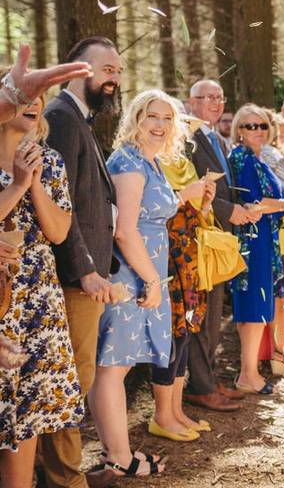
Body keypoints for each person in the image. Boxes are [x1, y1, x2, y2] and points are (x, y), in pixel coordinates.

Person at [40, 36, 123, 488]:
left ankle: (64, 473)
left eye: (118, 71)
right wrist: (85, 270)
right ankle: (64, 479)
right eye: (106, 69)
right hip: (71, 280)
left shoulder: (80, 119)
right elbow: (59, 204)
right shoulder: (61, 118)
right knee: (70, 377)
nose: (114, 78)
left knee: (77, 375)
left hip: (87, 276)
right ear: (77, 72)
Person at [89, 90, 183, 478]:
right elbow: (124, 232)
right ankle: (119, 457)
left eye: (165, 118)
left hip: (146, 271)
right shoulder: (128, 161)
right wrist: (151, 281)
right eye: (151, 116)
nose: (159, 125)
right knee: (112, 366)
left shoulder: (151, 161)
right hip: (128, 275)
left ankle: (118, 452)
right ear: (136, 118)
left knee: (118, 367)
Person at [0, 90, 80, 487]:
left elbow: (59, 232)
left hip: (37, 298)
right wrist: (15, 184)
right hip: (1, 300)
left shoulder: (49, 160)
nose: (34, 103)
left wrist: (33, 184)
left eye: (40, 96)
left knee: (27, 407)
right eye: (24, 95)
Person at [228, 104, 284, 396]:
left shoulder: (259, 157)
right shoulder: (242, 159)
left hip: (266, 238)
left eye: (262, 125)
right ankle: (247, 374)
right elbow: (255, 203)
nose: (258, 131)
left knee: (262, 303)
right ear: (239, 130)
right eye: (251, 126)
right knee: (252, 304)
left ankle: (248, 372)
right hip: (252, 240)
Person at [182, 79, 249, 412]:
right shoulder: (186, 139)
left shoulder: (216, 138)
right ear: (190, 102)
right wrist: (228, 211)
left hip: (219, 238)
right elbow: (189, 186)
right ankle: (200, 386)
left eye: (219, 97)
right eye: (206, 97)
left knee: (213, 315)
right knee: (201, 313)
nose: (214, 102)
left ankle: (209, 378)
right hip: (198, 236)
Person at [154, 144, 217, 443]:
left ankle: (176, 411)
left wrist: (204, 203)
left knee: (184, 335)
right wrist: (183, 197)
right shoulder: (152, 166)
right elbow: (153, 215)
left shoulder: (184, 165)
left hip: (190, 265)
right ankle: (162, 415)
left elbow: (198, 220)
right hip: (167, 261)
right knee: (170, 338)